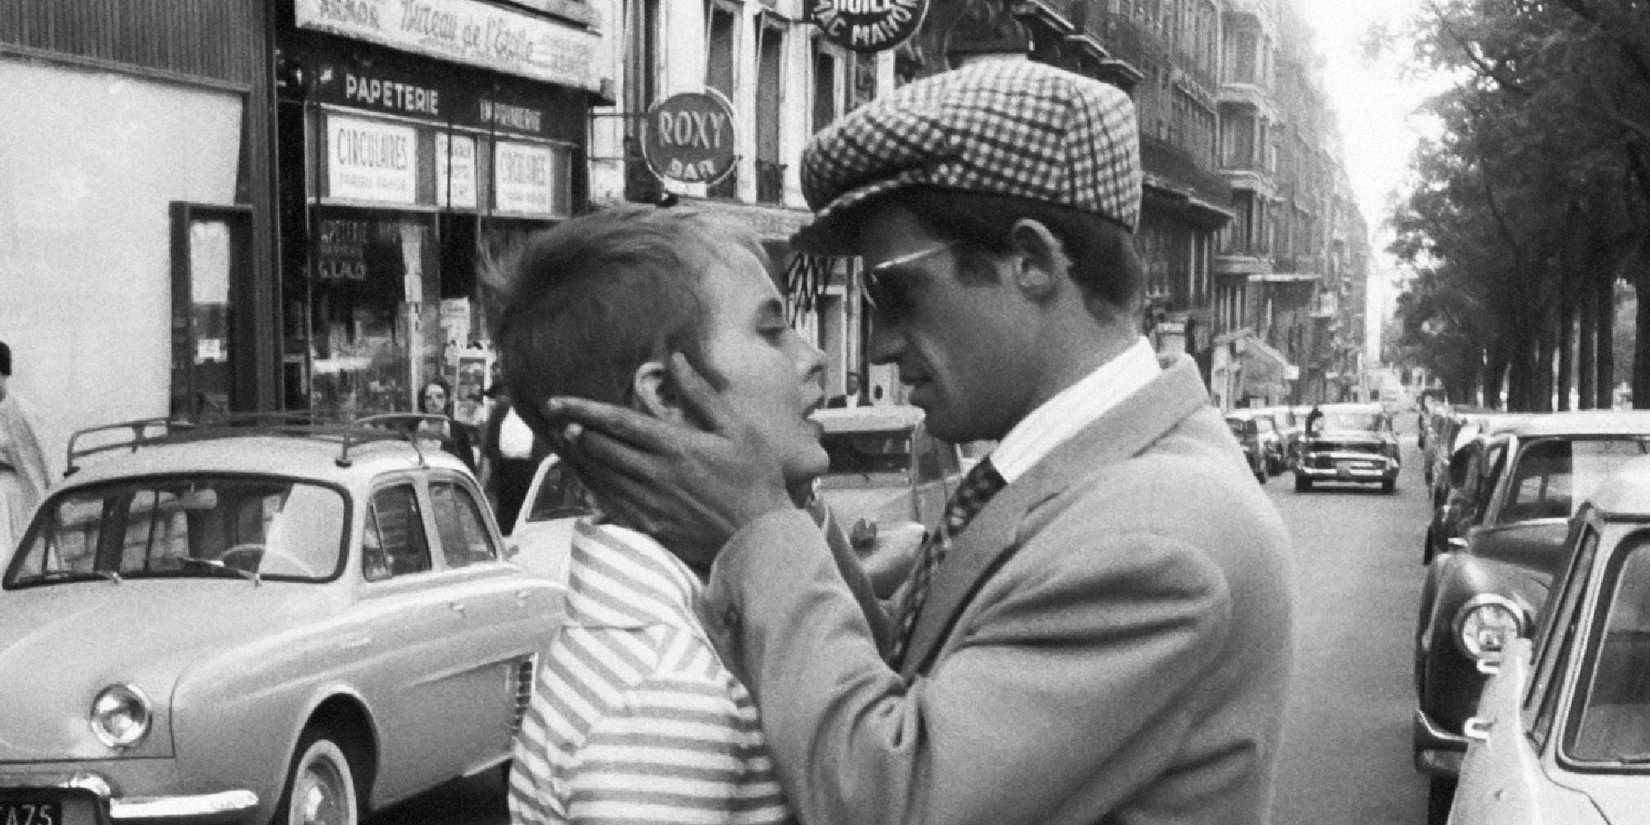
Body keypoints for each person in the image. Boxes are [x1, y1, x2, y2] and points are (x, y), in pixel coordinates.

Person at [543, 60, 1294, 825]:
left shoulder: (1154, 540)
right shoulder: (1093, 479)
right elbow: (901, 680)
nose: (875, 347)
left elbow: (890, 796)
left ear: (1032, 262)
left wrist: (760, 525)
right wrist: (800, 522)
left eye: (895, 292)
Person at [493, 205, 889, 825]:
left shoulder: (668, 629)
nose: (813, 356)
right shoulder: (667, 690)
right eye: (771, 330)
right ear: (668, 396)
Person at [478, 361, 550, 533]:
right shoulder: (501, 412)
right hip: (504, 475)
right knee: (505, 525)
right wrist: (480, 489)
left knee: (529, 527)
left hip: (532, 476)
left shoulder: (541, 413)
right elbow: (489, 453)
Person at [0, 340, 50, 554]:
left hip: (12, 494)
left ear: (4, 374)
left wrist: (44, 507)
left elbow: (36, 466)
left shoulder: (20, 413)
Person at [415, 378, 476, 472]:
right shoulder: (414, 427)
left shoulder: (458, 430)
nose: (434, 401)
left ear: (447, 399)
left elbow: (469, 467)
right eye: (428, 398)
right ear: (423, 401)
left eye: (439, 396)